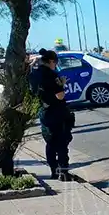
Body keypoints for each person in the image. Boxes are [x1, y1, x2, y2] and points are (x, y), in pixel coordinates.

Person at [30, 49, 74, 180]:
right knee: (61, 143)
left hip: (43, 112)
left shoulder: (33, 74)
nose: (56, 65)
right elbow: (60, 96)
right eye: (56, 62)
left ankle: (54, 171)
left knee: (50, 143)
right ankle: (64, 173)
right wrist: (62, 84)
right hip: (56, 112)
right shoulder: (51, 75)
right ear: (51, 61)